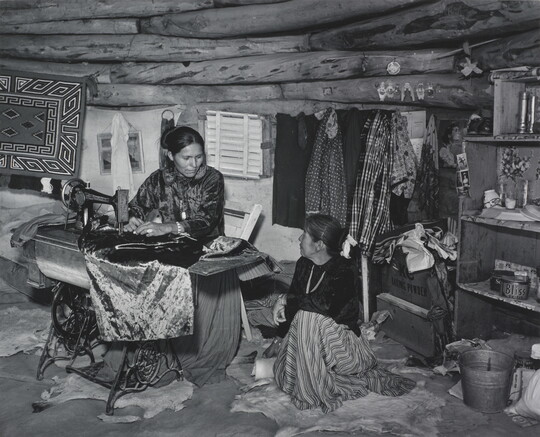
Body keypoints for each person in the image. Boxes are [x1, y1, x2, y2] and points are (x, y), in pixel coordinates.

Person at [269, 213, 415, 412]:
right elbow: (296, 302)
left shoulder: (344, 270)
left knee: (308, 316)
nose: (299, 239)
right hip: (312, 344)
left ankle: (312, 388)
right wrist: (279, 336)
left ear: (319, 244)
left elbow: (322, 305)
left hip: (343, 351)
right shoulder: (303, 264)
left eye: (303, 235)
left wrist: (284, 299)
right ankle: (310, 373)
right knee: (288, 357)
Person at [125, 125, 224, 243]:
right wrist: (131, 218)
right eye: (186, 158)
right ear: (171, 156)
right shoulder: (158, 179)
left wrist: (169, 227)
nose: (194, 164)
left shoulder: (212, 178)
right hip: (173, 246)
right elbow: (136, 206)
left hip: (208, 247)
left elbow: (206, 221)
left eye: (198, 157)